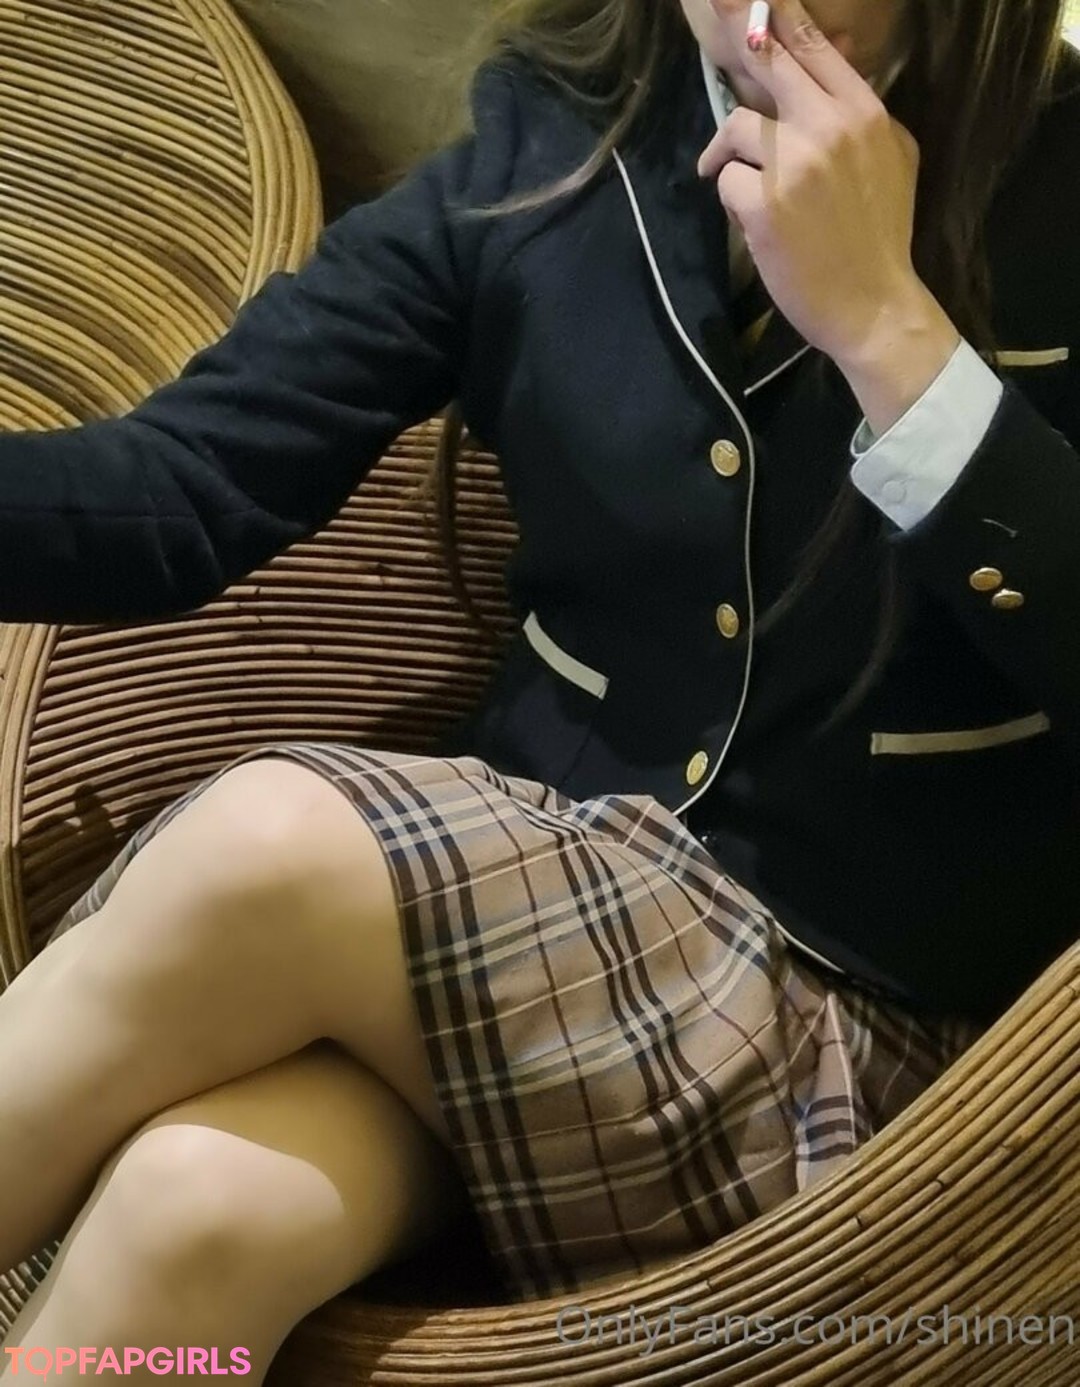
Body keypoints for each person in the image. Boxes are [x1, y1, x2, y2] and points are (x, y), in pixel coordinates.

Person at [0, 0, 1078, 1378]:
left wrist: (888, 330)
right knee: (192, 1213)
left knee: (267, 847)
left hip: (874, 1061)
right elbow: (184, 486)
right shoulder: (560, 131)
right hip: (514, 979)